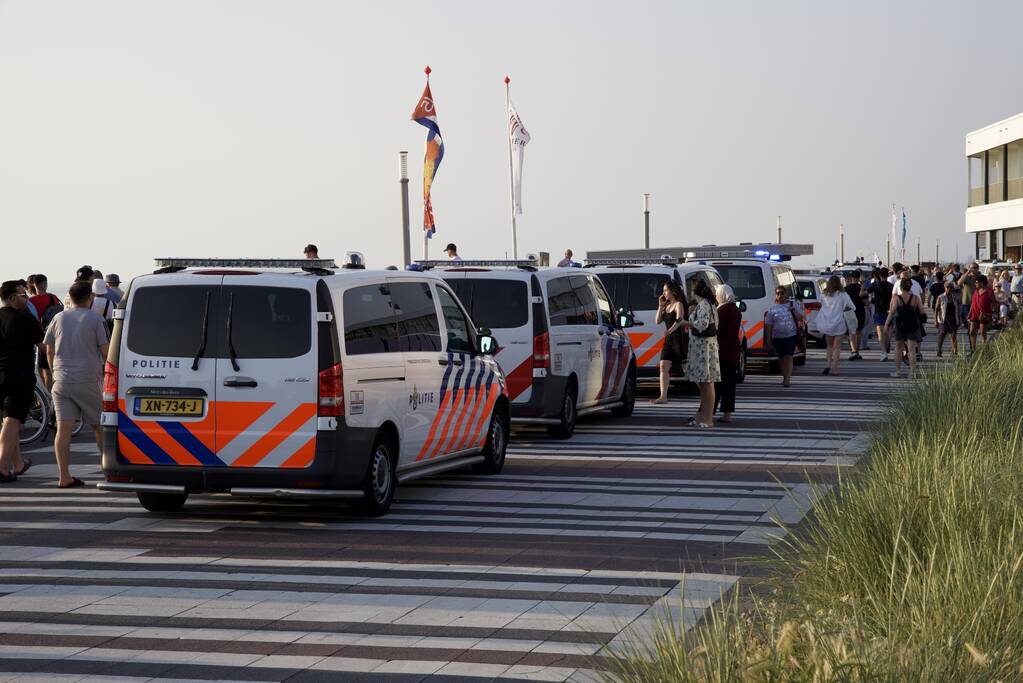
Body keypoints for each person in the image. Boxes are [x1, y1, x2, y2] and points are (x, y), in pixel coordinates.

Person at [44, 281, 110, 488]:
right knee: (99, 426)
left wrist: (54, 372)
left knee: (63, 429)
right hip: (87, 379)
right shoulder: (96, 319)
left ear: (70, 298)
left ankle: (64, 476)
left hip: (61, 380)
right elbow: (106, 351)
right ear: (90, 298)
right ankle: (108, 471)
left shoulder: (58, 317)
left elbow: (48, 350)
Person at [0, 280, 45, 482]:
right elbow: (43, 346)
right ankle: (2, 467)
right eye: (23, 295)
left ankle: (17, 463)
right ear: (12, 298)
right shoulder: (25, 319)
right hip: (19, 376)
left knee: (9, 421)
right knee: (12, 420)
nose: (26, 298)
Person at [678, 279, 720, 428]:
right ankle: (703, 417)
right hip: (703, 347)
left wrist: (686, 323)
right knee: (703, 384)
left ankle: (708, 419)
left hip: (704, 348)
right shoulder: (708, 304)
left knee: (707, 383)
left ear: (694, 291)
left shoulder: (704, 305)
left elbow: (702, 325)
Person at [650, 281, 687, 405]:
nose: (664, 293)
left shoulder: (678, 304)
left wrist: (670, 330)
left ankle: (705, 390)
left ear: (673, 291)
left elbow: (680, 319)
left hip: (678, 340)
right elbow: (657, 321)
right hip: (669, 341)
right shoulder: (666, 305)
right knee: (663, 366)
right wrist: (660, 306)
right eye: (663, 290)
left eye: (666, 290)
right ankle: (663, 396)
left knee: (687, 369)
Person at [885, 277, 925, 378]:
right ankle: (912, 373)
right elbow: (922, 311)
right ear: (910, 286)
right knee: (912, 350)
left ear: (900, 287)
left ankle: (898, 371)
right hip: (912, 325)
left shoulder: (897, 298)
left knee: (898, 348)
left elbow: (892, 312)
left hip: (900, 325)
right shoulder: (915, 298)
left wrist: (886, 324)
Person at [764, 285, 803, 387]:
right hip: (777, 337)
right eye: (778, 293)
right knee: (781, 358)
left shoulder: (792, 304)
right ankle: (784, 376)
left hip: (791, 335)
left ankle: (787, 378)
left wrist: (793, 310)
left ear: (786, 294)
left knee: (788, 356)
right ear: (775, 295)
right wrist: (768, 340)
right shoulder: (772, 308)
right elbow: (769, 325)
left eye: (782, 293)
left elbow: (801, 318)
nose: (780, 295)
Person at [816, 275, 854, 375]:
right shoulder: (843, 295)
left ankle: (828, 365)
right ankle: (834, 368)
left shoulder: (824, 294)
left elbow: (819, 303)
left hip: (827, 323)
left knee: (829, 346)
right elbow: (851, 306)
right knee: (837, 347)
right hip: (839, 323)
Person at [714, 284, 741, 422]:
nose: (716, 296)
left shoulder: (722, 310)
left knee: (716, 384)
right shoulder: (735, 309)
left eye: (717, 294)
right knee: (730, 385)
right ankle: (727, 414)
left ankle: (708, 412)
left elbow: (716, 330)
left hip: (721, 351)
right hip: (733, 351)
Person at [868, 268, 895, 360]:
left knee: (880, 333)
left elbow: (863, 293)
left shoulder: (876, 285)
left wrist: (863, 286)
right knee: (888, 332)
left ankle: (884, 352)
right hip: (890, 311)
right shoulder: (891, 286)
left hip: (879, 310)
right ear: (887, 275)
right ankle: (886, 346)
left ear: (879, 275)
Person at [844, 269, 866, 360]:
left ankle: (854, 351)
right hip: (860, 311)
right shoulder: (862, 288)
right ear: (859, 277)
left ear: (851, 277)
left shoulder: (846, 289)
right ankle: (857, 351)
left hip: (850, 312)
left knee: (851, 332)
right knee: (859, 332)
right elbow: (866, 302)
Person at [968, 275, 995, 349]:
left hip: (984, 315)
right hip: (974, 314)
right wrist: (970, 313)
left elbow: (994, 303)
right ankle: (973, 350)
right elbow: (973, 303)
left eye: (977, 282)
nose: (975, 284)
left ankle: (984, 349)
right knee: (972, 332)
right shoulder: (976, 291)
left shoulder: (989, 292)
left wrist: (993, 314)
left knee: (982, 332)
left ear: (982, 283)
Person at [934, 281, 961, 357]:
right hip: (943, 319)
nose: (949, 289)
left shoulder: (955, 297)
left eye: (951, 287)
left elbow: (958, 309)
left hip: (953, 319)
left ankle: (955, 351)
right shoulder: (941, 297)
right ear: (944, 288)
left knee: (953, 335)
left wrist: (959, 319)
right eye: (947, 287)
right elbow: (936, 309)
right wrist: (935, 320)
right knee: (942, 335)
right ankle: (939, 350)